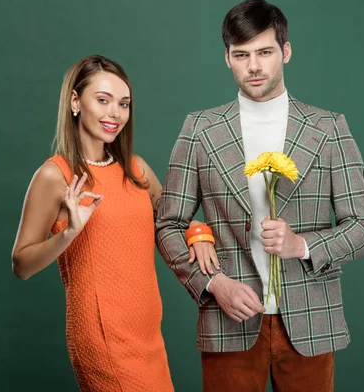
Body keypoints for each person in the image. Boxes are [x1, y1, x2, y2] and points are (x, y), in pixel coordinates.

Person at [155, 0, 364, 392]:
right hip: (228, 320)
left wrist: (302, 245)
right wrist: (213, 285)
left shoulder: (328, 129)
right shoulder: (200, 129)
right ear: (227, 58)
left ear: (286, 51)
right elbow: (167, 223)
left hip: (311, 321)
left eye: (265, 52)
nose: (254, 66)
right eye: (241, 55)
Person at [11, 55, 213, 391]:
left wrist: (199, 233)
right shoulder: (54, 175)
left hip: (147, 334)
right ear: (75, 102)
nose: (114, 113)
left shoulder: (136, 169)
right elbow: (21, 264)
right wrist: (70, 233)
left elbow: (173, 220)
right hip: (103, 337)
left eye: (123, 104)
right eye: (102, 100)